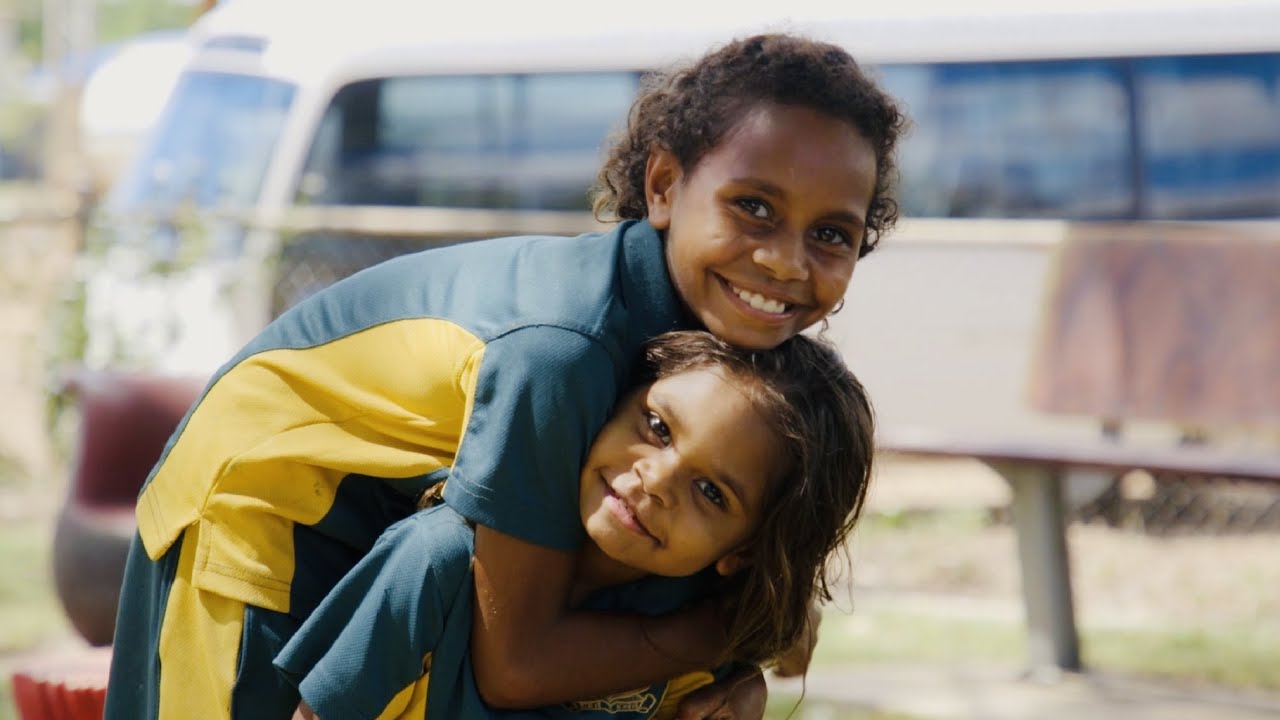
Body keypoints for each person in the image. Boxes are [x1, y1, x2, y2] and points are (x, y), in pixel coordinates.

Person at [104, 32, 905, 719]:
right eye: (754, 207)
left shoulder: (713, 362)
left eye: (831, 233)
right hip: (253, 515)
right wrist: (737, 631)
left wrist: (737, 673)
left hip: (371, 527)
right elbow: (516, 659)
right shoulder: (562, 350)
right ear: (663, 187)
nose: (783, 260)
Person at [277, 330, 875, 719]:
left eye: (711, 492)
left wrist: (744, 688)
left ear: (743, 552)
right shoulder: (440, 562)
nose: (655, 479)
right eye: (658, 427)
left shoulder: (694, 625)